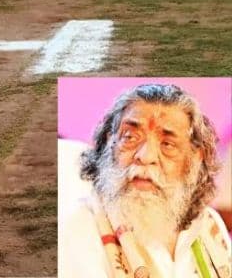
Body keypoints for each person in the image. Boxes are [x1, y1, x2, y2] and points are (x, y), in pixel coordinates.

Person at [59, 83, 231, 278]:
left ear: (195, 158)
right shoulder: (79, 229)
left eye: (167, 144)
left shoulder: (208, 223)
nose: (145, 156)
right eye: (130, 137)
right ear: (109, 143)